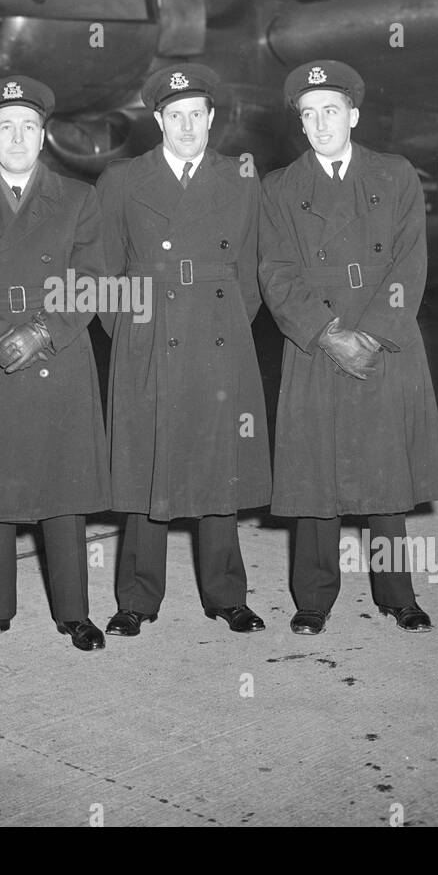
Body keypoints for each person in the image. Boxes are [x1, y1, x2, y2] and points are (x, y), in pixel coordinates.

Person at [259, 60, 438, 636]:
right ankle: (312, 598)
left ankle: (398, 594)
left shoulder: (395, 175)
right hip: (317, 343)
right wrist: (327, 334)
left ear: (354, 115)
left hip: (383, 342)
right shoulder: (280, 187)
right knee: (315, 481)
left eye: (331, 111)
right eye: (309, 114)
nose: (320, 124)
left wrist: (369, 333)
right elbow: (276, 271)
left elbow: (410, 260)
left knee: (385, 478)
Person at [0, 75, 110, 652]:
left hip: (55, 348)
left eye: (28, 127)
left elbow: (92, 280)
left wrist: (39, 332)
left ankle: (75, 612)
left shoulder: (82, 198)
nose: (17, 136)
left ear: (44, 136)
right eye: (6, 126)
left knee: (63, 492)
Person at [96, 64, 271, 637]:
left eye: (197, 114)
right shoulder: (122, 178)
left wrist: (223, 319)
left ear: (212, 118)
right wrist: (131, 329)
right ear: (158, 120)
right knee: (149, 466)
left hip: (218, 333)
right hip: (149, 333)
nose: (187, 125)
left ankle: (227, 594)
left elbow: (249, 270)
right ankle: (136, 598)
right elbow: (103, 270)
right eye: (176, 115)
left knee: (219, 468)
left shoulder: (242, 176)